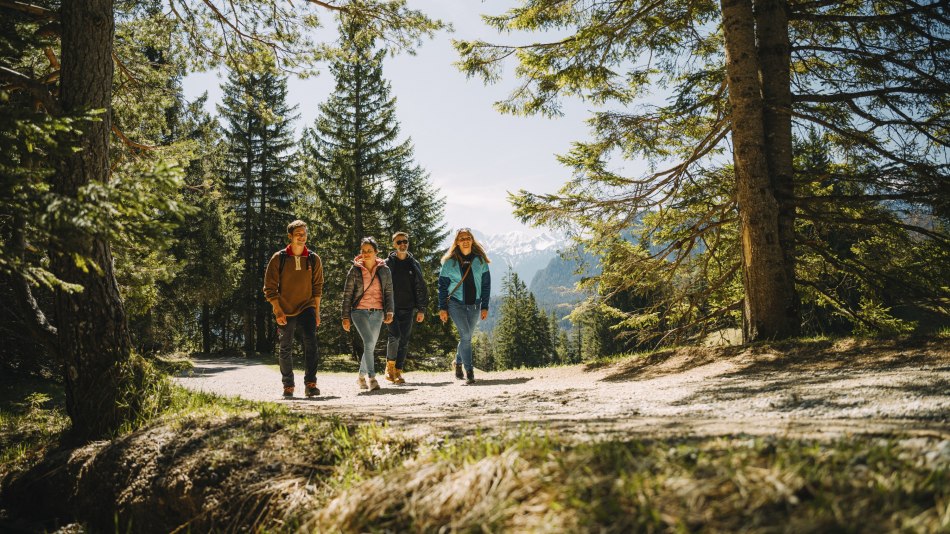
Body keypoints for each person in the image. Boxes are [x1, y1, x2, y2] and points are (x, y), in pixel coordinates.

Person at [263, 220, 324, 398]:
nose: (301, 236)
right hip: (285, 308)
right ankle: (288, 385)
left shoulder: (313, 258)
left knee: (311, 344)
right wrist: (277, 309)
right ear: (290, 236)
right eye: (297, 233)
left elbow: (317, 287)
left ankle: (311, 384)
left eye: (304, 233)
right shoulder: (279, 258)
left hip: (307, 306)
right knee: (285, 347)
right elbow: (269, 287)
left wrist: (317, 311)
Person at [438, 227, 491, 384]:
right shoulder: (449, 263)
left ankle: (458, 362)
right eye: (462, 238)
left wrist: (485, 306)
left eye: (468, 237)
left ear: (472, 240)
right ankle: (470, 371)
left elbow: (486, 285)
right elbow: (442, 287)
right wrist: (442, 308)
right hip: (456, 304)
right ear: (457, 242)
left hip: (475, 305)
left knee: (465, 337)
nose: (465, 240)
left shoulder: (480, 260)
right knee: (466, 336)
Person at [342, 237, 394, 391]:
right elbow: (347, 294)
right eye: (363, 251)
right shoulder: (355, 269)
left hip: (378, 313)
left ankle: (360, 377)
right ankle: (372, 378)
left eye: (369, 251)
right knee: (369, 343)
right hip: (359, 312)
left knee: (369, 346)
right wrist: (345, 316)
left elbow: (389, 292)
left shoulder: (384, 270)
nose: (366, 254)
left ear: (376, 252)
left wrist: (390, 311)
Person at [384, 231, 429, 384]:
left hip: (408, 308)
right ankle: (389, 368)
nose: (402, 244)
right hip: (391, 308)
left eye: (405, 241)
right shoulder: (387, 264)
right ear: (393, 245)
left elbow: (420, 287)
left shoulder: (414, 264)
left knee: (404, 340)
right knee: (394, 336)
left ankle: (398, 371)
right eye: (399, 242)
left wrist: (421, 309)